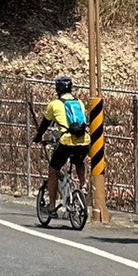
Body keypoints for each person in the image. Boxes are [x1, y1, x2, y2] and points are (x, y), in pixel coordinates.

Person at [33, 75, 90, 217]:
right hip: (84, 140)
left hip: (66, 141)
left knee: (53, 170)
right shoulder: (79, 103)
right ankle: (82, 187)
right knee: (79, 161)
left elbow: (44, 125)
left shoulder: (54, 104)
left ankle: (52, 207)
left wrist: (38, 137)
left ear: (57, 90)